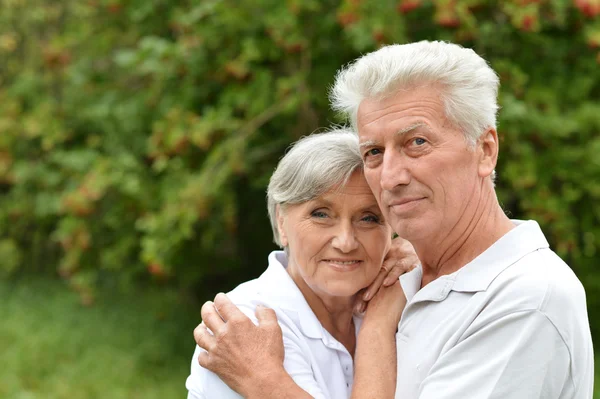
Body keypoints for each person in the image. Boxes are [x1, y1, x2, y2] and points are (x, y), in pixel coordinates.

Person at [193, 41, 594, 398]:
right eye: (374, 152)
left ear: (485, 150)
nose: (390, 177)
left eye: (416, 142)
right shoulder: (397, 283)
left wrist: (267, 384)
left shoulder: (524, 300)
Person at [187, 129, 418, 398]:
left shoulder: (409, 295)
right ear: (282, 221)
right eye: (321, 214)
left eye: (368, 218)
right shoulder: (246, 322)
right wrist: (379, 323)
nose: (346, 242)